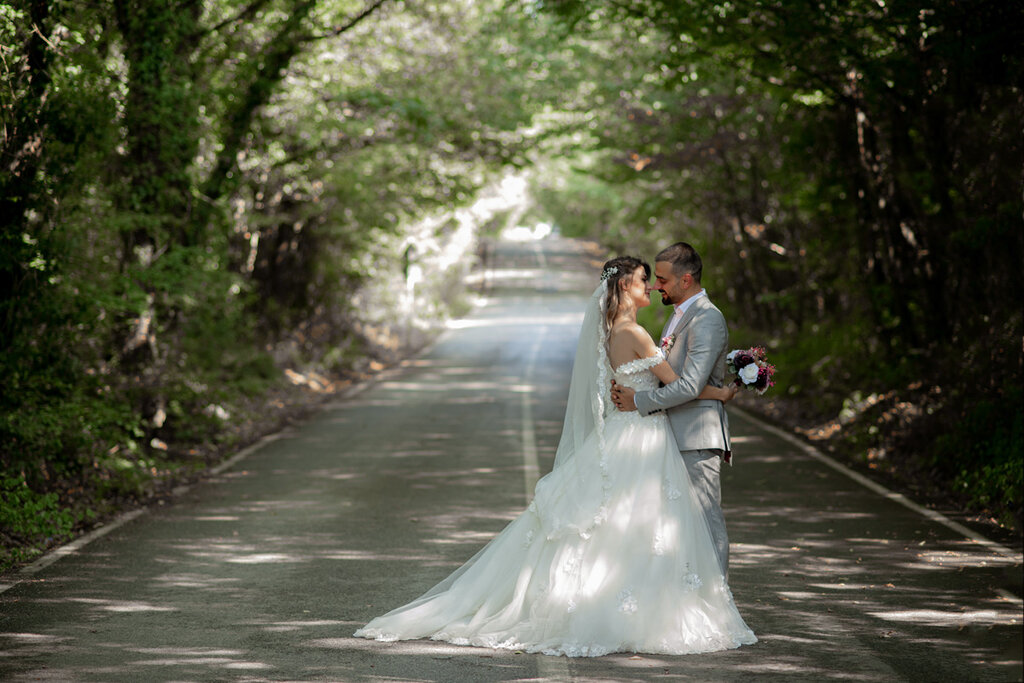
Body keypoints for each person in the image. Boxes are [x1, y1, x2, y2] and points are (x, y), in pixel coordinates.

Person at [353, 256, 756, 657]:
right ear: (622, 288)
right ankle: (647, 606)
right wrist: (721, 392)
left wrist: (648, 396)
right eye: (642, 281)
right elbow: (679, 382)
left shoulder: (615, 330)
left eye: (655, 281)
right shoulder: (634, 332)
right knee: (640, 523)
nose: (650, 287)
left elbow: (661, 381)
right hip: (642, 434)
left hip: (631, 431)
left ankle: (631, 601)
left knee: (627, 522)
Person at [610, 242, 733, 577]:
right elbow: (672, 378)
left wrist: (638, 400)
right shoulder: (679, 316)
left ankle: (716, 601)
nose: (655, 285)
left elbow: (690, 385)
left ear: (686, 280)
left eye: (662, 279)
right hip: (666, 435)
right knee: (678, 529)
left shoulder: (706, 318)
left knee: (706, 524)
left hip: (695, 435)